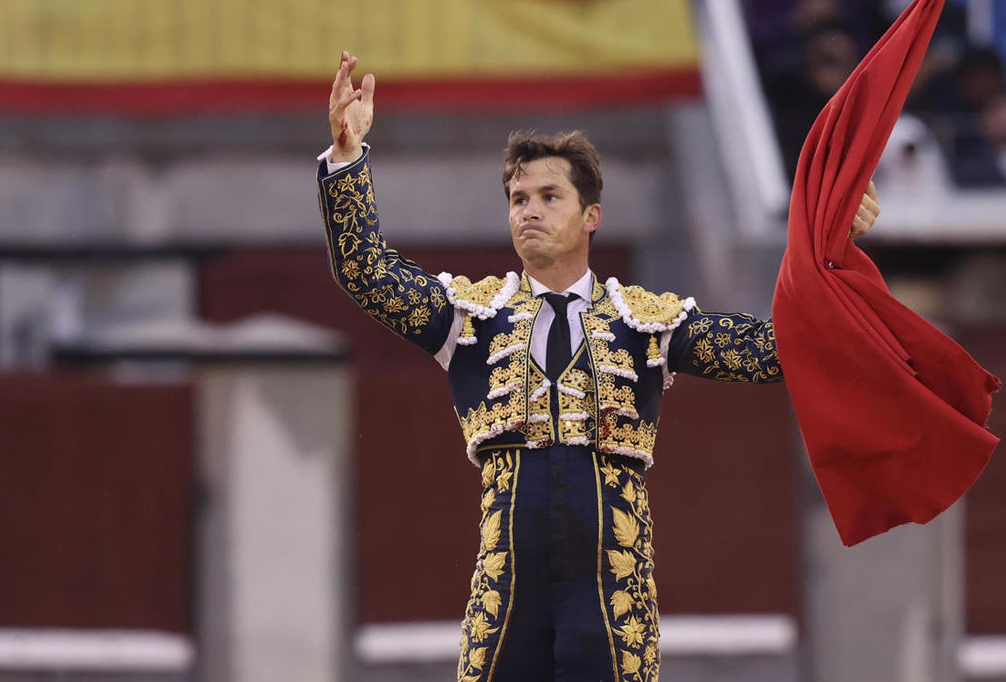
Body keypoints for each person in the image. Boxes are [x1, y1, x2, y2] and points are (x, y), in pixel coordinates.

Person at [317, 51, 880, 681]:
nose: (528, 210)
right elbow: (368, 272)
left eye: (549, 196)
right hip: (506, 598)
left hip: (614, 604)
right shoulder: (468, 318)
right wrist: (346, 159)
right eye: (518, 197)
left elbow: (773, 351)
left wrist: (835, 245)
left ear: (592, 217)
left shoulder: (647, 324)